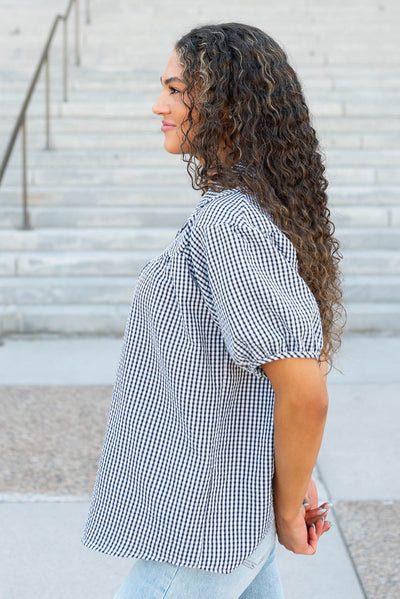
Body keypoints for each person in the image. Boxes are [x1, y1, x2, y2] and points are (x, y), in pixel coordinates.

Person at [82, 23, 344, 598]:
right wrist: (287, 484)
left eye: (178, 90)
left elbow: (303, 389)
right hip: (225, 515)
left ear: (228, 106)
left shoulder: (231, 225)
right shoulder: (251, 212)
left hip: (206, 528)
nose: (159, 105)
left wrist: (284, 505)